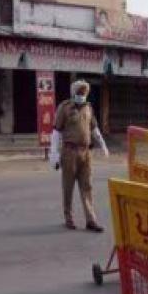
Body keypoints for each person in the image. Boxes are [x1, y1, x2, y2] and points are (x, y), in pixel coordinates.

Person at [49, 80, 109, 232]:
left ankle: (91, 220)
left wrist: (103, 145)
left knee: (87, 186)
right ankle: (68, 218)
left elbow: (94, 129)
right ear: (74, 93)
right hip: (69, 152)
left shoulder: (88, 108)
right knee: (68, 186)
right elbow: (56, 132)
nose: (82, 95)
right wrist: (54, 154)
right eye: (79, 92)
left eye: (84, 93)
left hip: (86, 153)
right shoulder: (64, 107)